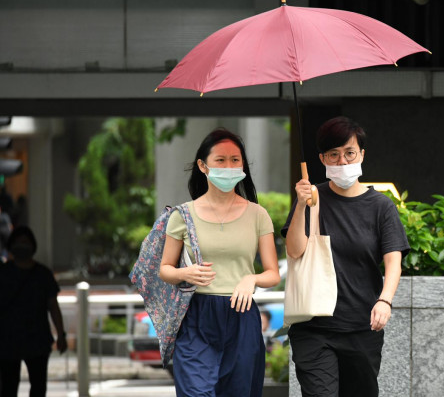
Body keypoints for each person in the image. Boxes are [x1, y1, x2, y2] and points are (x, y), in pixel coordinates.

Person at [282, 116, 410, 397]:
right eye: (334, 155)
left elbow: (393, 261)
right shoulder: (312, 199)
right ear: (322, 158)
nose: (342, 162)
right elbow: (294, 250)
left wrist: (385, 300)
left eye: (349, 153)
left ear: (361, 154)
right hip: (313, 327)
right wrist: (302, 204)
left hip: (362, 327)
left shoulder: (381, 207)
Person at [159, 128, 280, 397]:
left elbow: (273, 273)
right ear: (203, 165)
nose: (229, 166)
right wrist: (185, 272)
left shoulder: (258, 215)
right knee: (195, 393)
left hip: (241, 314)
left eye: (235, 160)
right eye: (220, 160)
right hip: (196, 317)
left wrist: (252, 278)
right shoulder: (183, 215)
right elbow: (165, 269)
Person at [0, 226, 67, 397]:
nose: (22, 246)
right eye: (19, 242)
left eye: (25, 242)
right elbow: (53, 306)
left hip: (35, 339)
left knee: (37, 387)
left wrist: (61, 334)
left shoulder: (43, 275)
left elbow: (54, 306)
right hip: (9, 340)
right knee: (9, 386)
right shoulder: (4, 273)